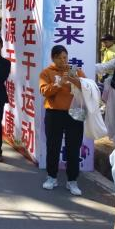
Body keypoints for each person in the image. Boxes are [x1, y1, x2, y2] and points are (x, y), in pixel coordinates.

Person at [39, 45, 85, 195]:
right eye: (59, 58)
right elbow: (44, 91)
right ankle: (51, 177)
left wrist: (74, 80)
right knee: (53, 146)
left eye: (64, 57)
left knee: (74, 146)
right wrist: (59, 83)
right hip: (54, 112)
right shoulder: (47, 72)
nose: (62, 60)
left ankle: (72, 181)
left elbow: (86, 87)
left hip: (75, 112)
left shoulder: (74, 70)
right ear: (53, 58)